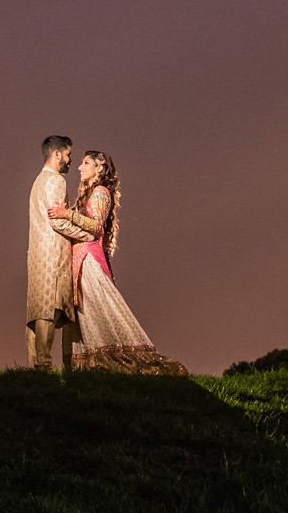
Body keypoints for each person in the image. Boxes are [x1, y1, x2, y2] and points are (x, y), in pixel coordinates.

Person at [49, 150, 187, 374]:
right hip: (78, 261)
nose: (80, 168)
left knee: (99, 310)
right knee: (84, 317)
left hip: (89, 261)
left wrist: (67, 214)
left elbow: (95, 225)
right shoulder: (88, 193)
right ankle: (84, 366)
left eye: (85, 163)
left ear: (99, 167)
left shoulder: (101, 192)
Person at [26, 135, 88, 370]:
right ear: (57, 154)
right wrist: (87, 235)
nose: (71, 161)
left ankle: (34, 365)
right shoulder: (56, 181)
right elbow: (58, 222)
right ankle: (44, 365)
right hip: (53, 253)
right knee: (49, 307)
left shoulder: (38, 181)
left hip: (38, 253)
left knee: (37, 307)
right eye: (69, 154)